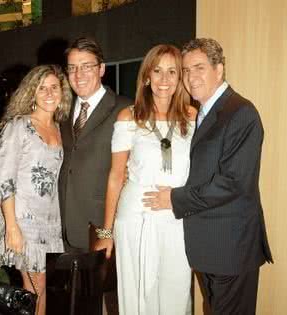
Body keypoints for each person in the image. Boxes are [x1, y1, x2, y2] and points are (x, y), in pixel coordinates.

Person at [143, 38, 273, 315]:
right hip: (210, 247)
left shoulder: (241, 112)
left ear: (219, 70)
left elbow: (233, 183)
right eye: (186, 70)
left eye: (199, 68)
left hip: (231, 248)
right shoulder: (204, 111)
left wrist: (174, 199)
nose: (191, 77)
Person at [95, 44, 196, 315]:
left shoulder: (193, 117)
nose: (164, 80)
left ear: (180, 77)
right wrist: (106, 233)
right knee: (138, 291)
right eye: (158, 71)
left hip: (177, 216)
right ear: (147, 76)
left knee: (176, 289)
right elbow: (116, 176)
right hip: (135, 217)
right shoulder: (129, 117)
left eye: (172, 72)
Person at [0, 64, 72, 315]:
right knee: (34, 286)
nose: (48, 93)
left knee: (40, 287)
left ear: (62, 92)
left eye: (54, 87)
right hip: (23, 220)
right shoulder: (19, 126)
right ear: (31, 93)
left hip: (51, 221)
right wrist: (11, 225)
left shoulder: (60, 128)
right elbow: (2, 177)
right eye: (42, 88)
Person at [59, 36, 131, 251]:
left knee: (102, 286)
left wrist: (107, 232)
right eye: (72, 68)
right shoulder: (61, 110)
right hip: (61, 225)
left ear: (101, 69)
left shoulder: (125, 110)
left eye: (86, 67)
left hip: (101, 228)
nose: (78, 75)